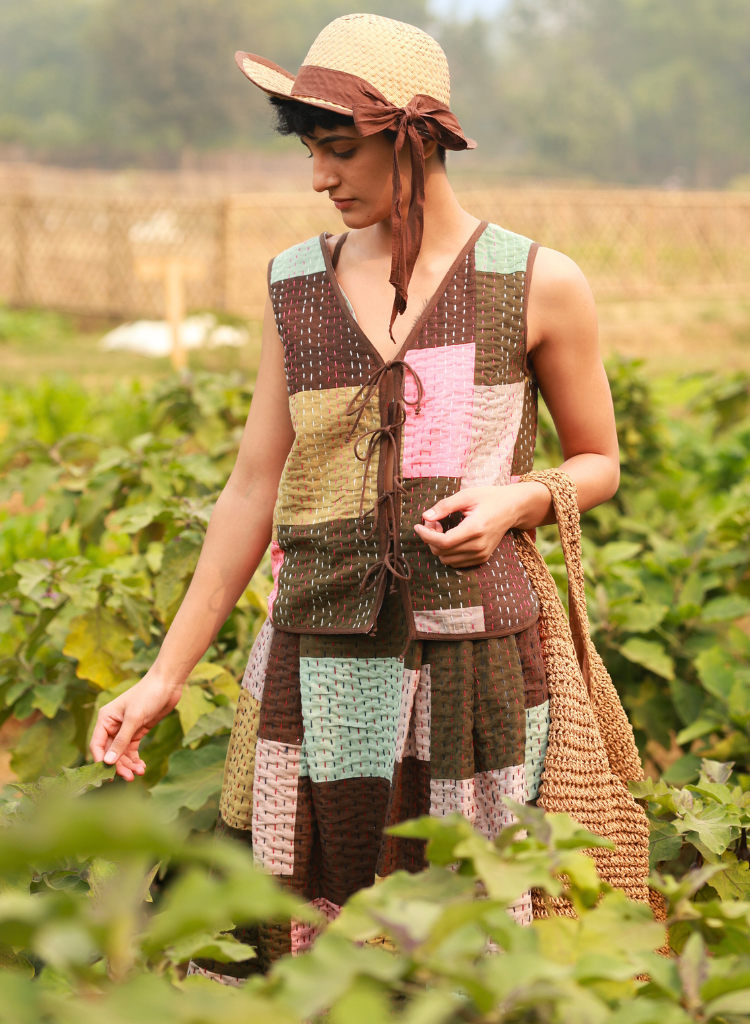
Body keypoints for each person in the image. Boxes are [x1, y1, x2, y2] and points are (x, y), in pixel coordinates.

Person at [91, 13, 619, 973]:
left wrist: (517, 502)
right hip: (319, 656)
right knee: (312, 935)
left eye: (339, 149)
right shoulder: (297, 284)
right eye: (310, 151)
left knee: (469, 934)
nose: (319, 178)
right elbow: (253, 485)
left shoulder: (536, 281)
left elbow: (597, 461)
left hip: (477, 660)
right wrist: (163, 677)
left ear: (413, 138)